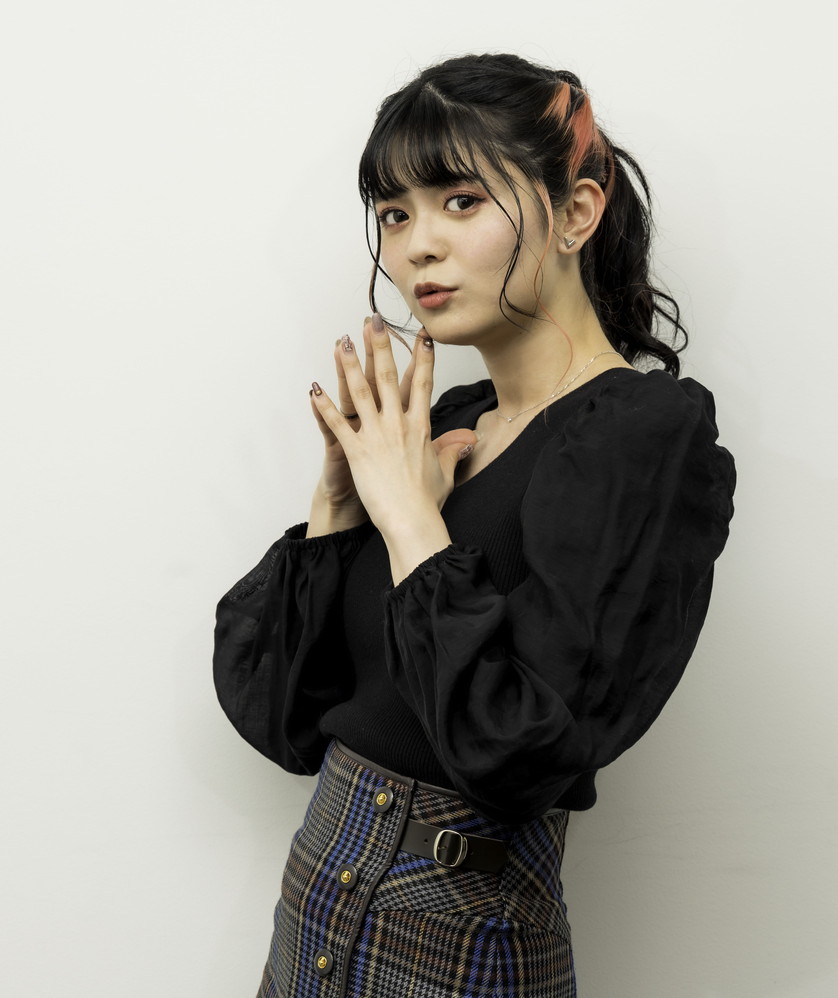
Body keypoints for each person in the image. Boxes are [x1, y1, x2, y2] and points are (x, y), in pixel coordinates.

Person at [212, 53, 736, 998]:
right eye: (394, 213)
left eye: (460, 201)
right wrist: (341, 507)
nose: (416, 246)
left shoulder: (641, 436)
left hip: (457, 942)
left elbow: (523, 752)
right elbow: (283, 719)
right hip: (314, 907)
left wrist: (412, 520)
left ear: (577, 213)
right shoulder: (446, 426)